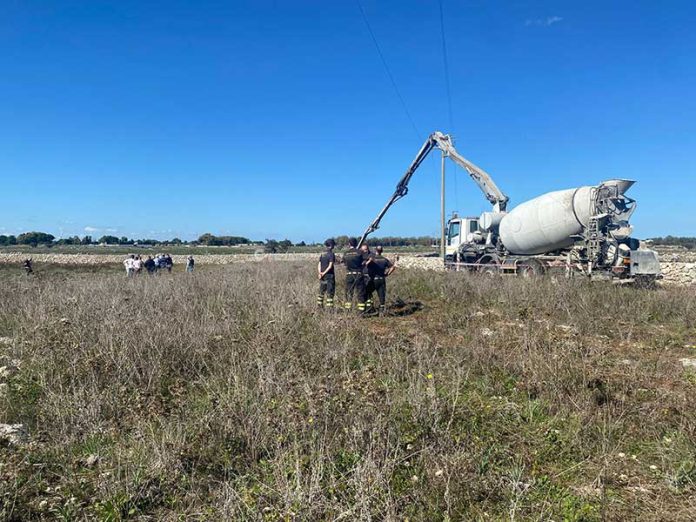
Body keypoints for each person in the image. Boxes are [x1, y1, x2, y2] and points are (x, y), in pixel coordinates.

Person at [342, 237, 368, 312]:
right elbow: (365, 261)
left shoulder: (345, 253)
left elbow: (344, 263)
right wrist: (361, 266)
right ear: (356, 244)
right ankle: (361, 312)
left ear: (349, 244)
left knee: (349, 293)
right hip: (359, 274)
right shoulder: (360, 252)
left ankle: (347, 311)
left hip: (349, 275)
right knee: (360, 293)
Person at [366, 245, 395, 314]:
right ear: (382, 251)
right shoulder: (384, 259)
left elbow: (365, 265)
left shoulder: (372, 259)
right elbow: (393, 267)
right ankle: (382, 311)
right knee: (382, 296)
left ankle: (369, 308)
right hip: (382, 279)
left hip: (373, 280)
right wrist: (387, 274)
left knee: (367, 292)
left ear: (375, 250)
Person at [317, 238, 336, 308]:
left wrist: (320, 273)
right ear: (331, 245)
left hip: (322, 276)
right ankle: (330, 309)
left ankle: (319, 306)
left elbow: (319, 264)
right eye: (333, 245)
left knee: (321, 292)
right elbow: (330, 266)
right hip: (329, 276)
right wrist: (324, 273)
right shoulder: (331, 254)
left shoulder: (322, 254)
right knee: (330, 292)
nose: (334, 246)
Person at [360, 243, 375, 310]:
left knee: (369, 292)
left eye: (366, 249)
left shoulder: (371, 254)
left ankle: (369, 308)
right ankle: (364, 308)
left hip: (369, 276)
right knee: (363, 292)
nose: (364, 251)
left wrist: (365, 263)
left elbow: (371, 259)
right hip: (362, 276)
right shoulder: (360, 255)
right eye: (363, 250)